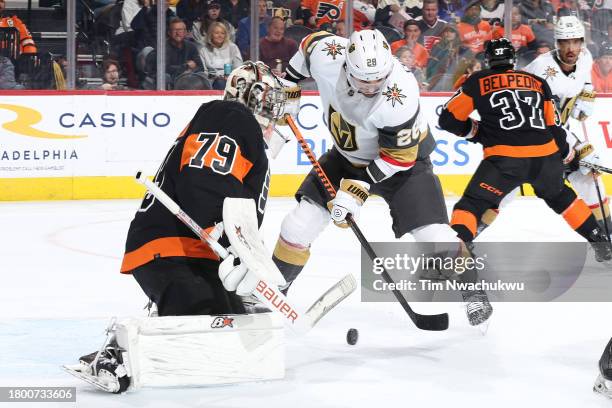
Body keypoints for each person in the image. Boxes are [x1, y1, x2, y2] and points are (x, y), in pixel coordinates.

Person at [67, 61, 290, 393]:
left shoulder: (240, 128)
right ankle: (118, 353)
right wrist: (224, 236)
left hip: (193, 255)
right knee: (209, 341)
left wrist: (245, 257)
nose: (276, 110)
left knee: (237, 334)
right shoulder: (231, 117)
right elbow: (204, 179)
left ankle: (162, 323)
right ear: (251, 96)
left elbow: (234, 205)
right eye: (269, 99)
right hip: (176, 250)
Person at [279, 29, 493, 326]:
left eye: (379, 78)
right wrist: (289, 85)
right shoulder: (329, 54)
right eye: (365, 79)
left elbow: (397, 158)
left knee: (435, 238)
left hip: (405, 164)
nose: (373, 86)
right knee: (297, 225)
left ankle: (473, 292)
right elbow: (306, 46)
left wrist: (357, 190)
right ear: (346, 65)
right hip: (345, 157)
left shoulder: (401, 93)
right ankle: (274, 290)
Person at [439, 38, 611, 260]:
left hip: (504, 161)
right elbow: (555, 128)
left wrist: (477, 132)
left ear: (488, 59)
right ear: (514, 59)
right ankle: (602, 243)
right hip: (545, 158)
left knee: (471, 204)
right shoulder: (537, 81)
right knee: (563, 197)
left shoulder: (478, 80)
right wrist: (569, 156)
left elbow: (448, 119)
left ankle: (457, 251)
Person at [476, 16, 611, 240]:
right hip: (525, 137)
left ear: (582, 42)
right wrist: (578, 147)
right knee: (502, 192)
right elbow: (541, 121)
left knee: (589, 178)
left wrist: (587, 93)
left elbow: (584, 77)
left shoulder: (585, 57)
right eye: (565, 42)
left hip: (556, 135)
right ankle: (464, 238)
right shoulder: (540, 70)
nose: (571, 48)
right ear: (556, 43)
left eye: (576, 42)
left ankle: (606, 238)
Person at [199, 21, 242, 89]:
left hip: (231, 81)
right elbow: (203, 72)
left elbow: (238, 67)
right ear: (211, 35)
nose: (220, 36)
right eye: (216, 33)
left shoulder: (233, 48)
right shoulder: (204, 50)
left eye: (222, 33)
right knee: (219, 83)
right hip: (211, 83)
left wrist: (230, 77)